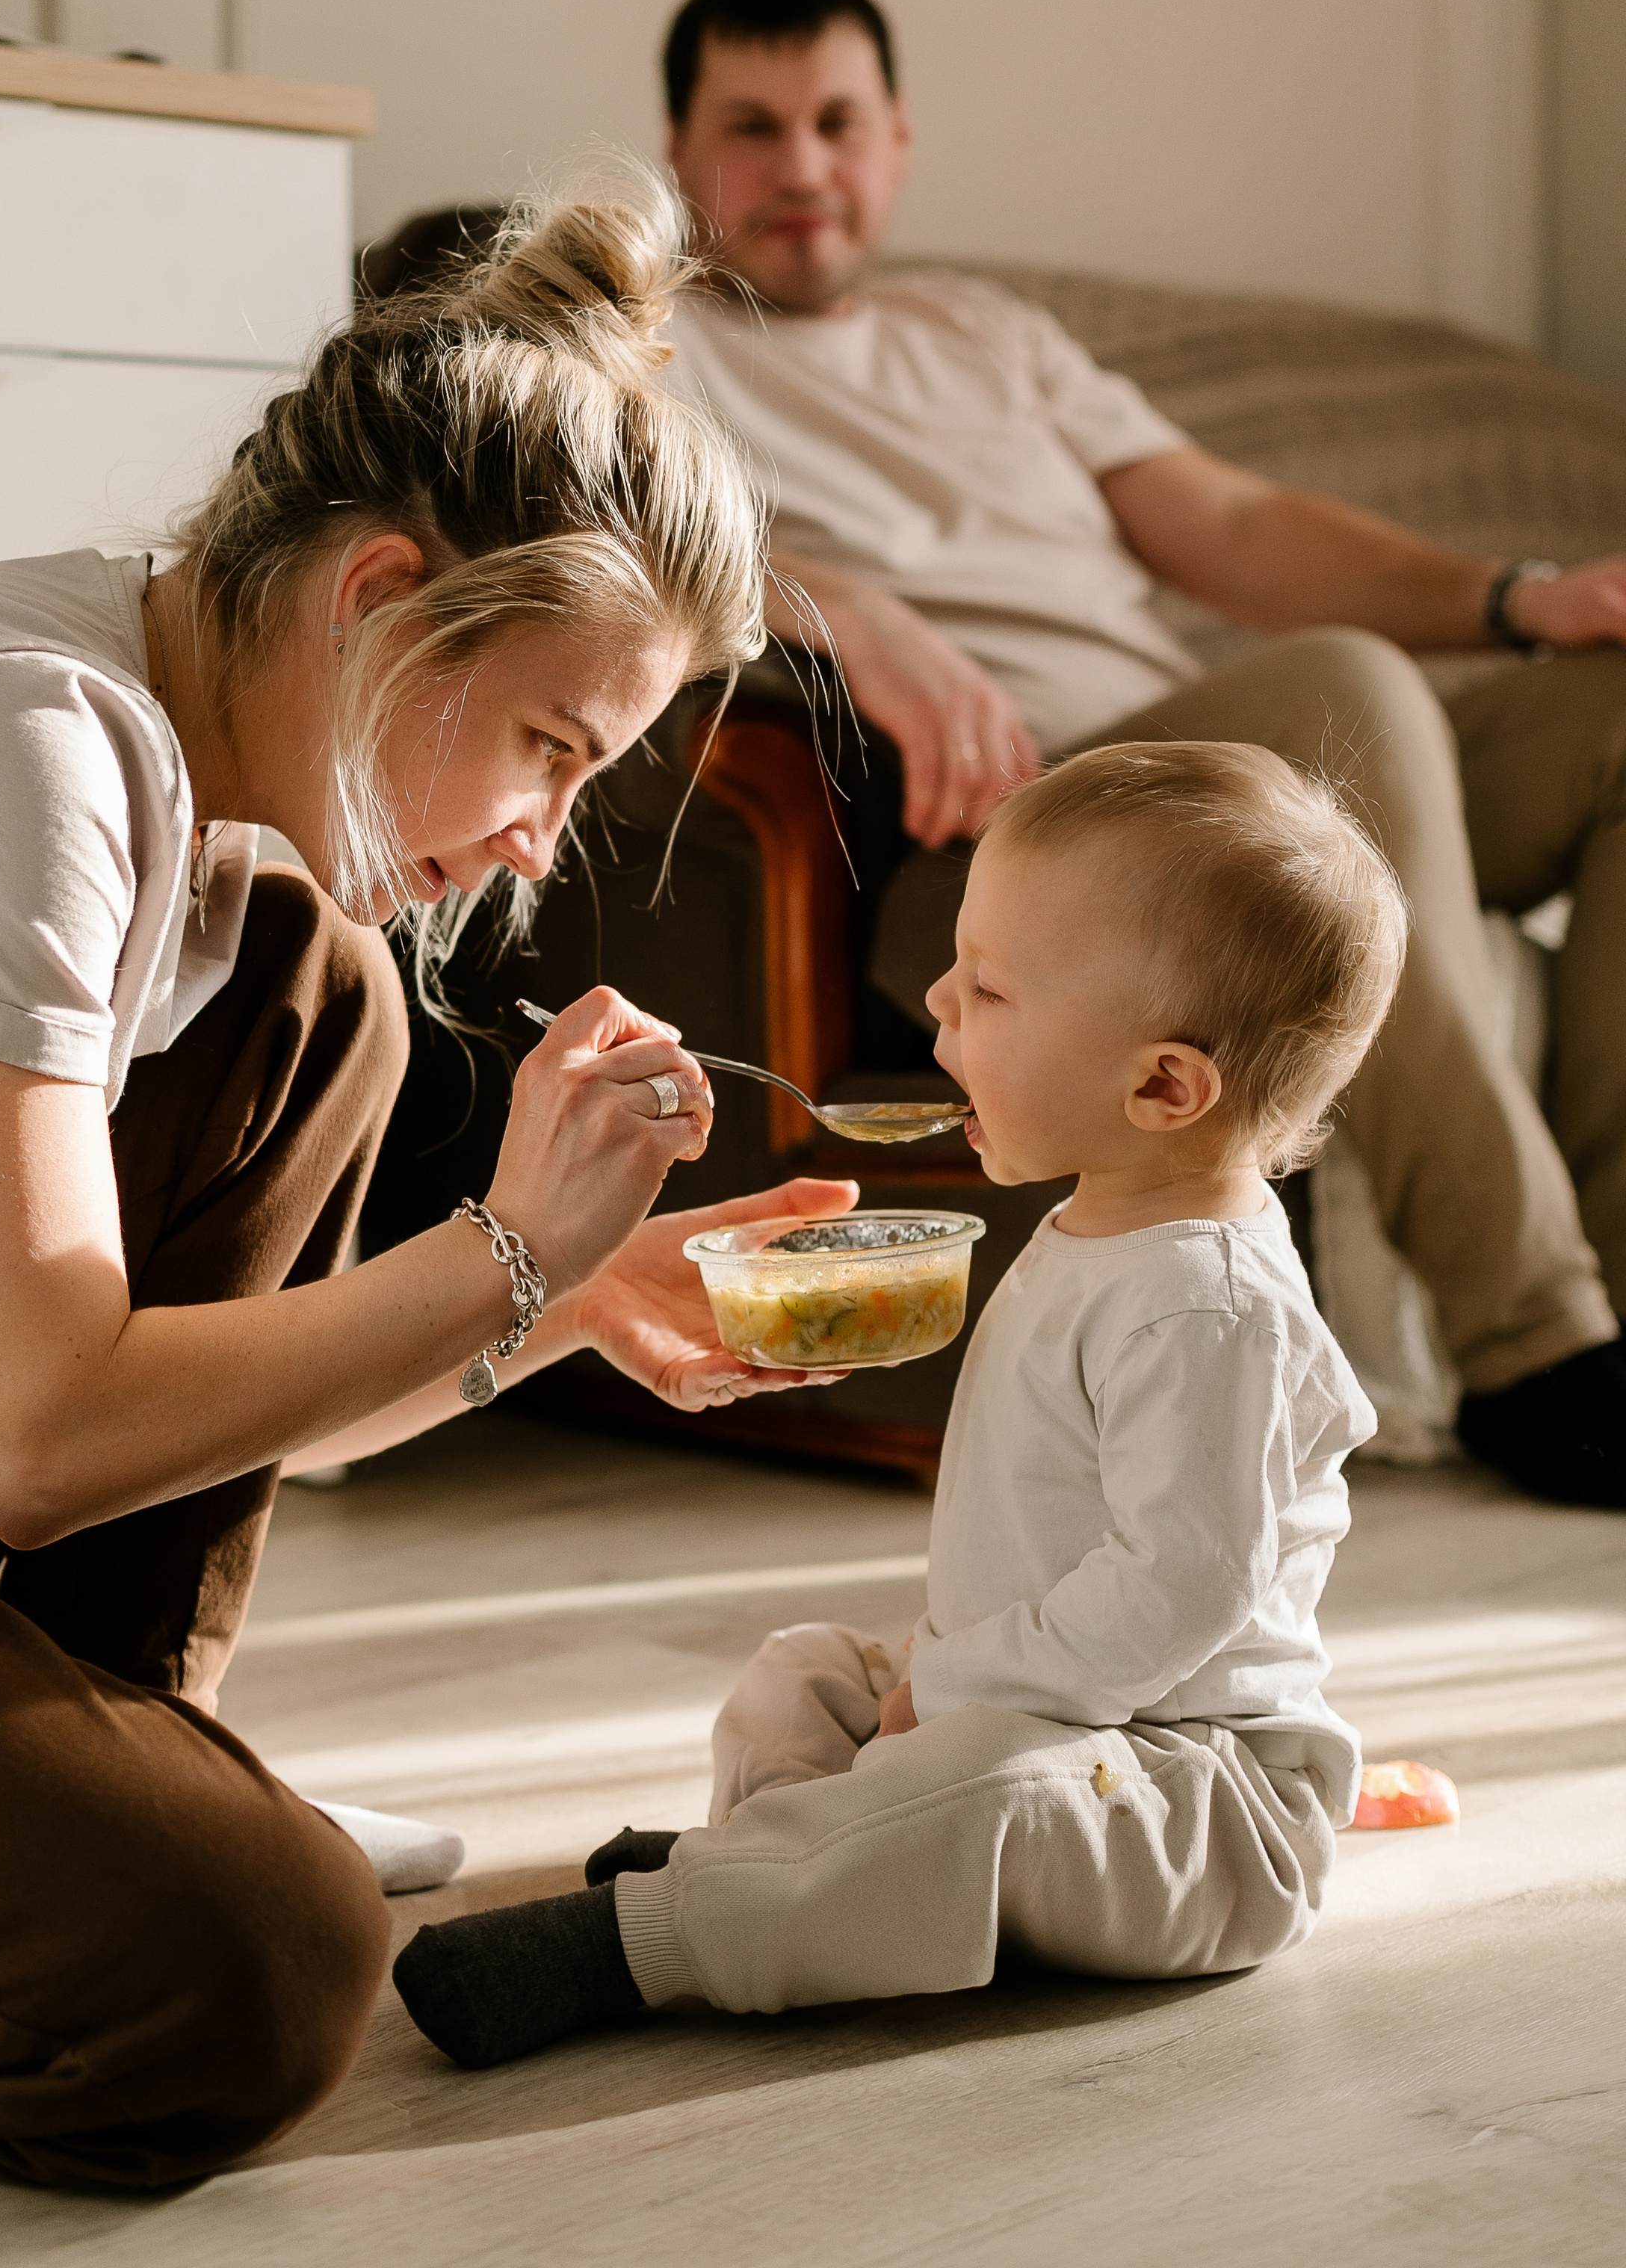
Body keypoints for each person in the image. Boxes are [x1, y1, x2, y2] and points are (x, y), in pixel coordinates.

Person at [0, 174, 859, 2192]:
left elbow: (234, 1413)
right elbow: (52, 1431)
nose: (539, 842)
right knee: (257, 1972)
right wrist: (508, 1251)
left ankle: (81, 1759)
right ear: (378, 599)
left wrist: (568, 1307)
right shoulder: (23, 748)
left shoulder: (211, 833)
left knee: (324, 1005)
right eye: (548, 743)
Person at [643, 0, 1626, 1512]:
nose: (801, 166)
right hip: (1001, 846)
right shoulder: (647, 349)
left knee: (1607, 711)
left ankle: (1615, 1300)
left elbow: (1229, 525)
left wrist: (1518, 599)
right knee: (1347, 697)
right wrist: (852, 611)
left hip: (1206, 762)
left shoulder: (984, 331)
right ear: (681, 155)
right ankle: (1535, 1347)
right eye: (750, 128)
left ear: (895, 139)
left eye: (836, 121)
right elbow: (583, 523)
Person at [391, 741, 1408, 2065]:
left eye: (987, 987)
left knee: (976, 1792)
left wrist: (957, 1678)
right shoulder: (1113, 1222)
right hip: (1044, 1709)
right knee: (802, 1675)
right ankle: (781, 1870)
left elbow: (1172, 1601)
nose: (936, 999)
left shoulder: (1210, 1307)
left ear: (1163, 1085)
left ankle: (669, 1938)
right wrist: (938, 1676)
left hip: (1189, 1795)